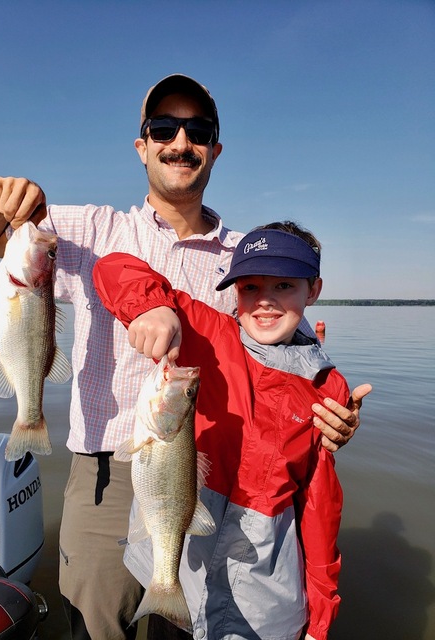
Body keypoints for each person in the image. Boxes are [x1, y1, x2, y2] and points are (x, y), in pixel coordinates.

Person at [0, 75, 371, 640]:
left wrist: (331, 414)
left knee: (184, 625)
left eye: (197, 131)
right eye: (163, 128)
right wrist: (2, 199)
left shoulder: (247, 258)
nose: (180, 141)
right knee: (100, 625)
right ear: (142, 145)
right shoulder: (97, 229)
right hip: (105, 469)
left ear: (215, 150)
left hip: (203, 474)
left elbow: (282, 366)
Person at [93, 221, 350, 640]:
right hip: (181, 575)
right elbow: (112, 267)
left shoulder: (328, 388)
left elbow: (320, 507)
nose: (264, 301)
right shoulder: (208, 334)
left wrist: (319, 620)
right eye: (249, 287)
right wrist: (149, 307)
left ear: (314, 289)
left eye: (284, 286)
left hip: (261, 602)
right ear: (234, 291)